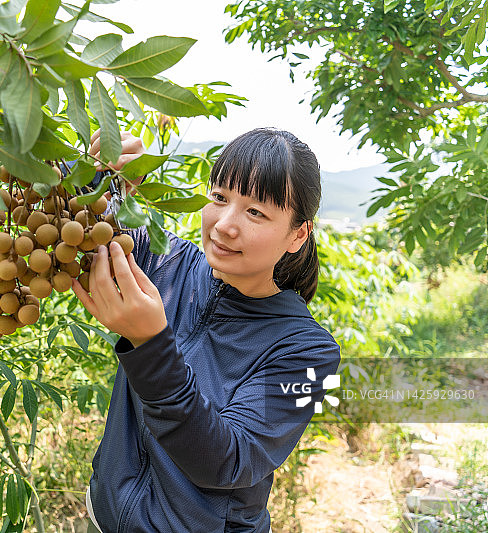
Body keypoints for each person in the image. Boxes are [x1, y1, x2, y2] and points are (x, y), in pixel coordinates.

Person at [70, 128, 341, 532]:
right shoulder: (166, 263)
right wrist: (101, 178)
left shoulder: (311, 355)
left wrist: (151, 345)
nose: (225, 225)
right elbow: (88, 235)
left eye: (256, 212)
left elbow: (229, 460)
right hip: (103, 519)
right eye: (219, 198)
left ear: (297, 234)